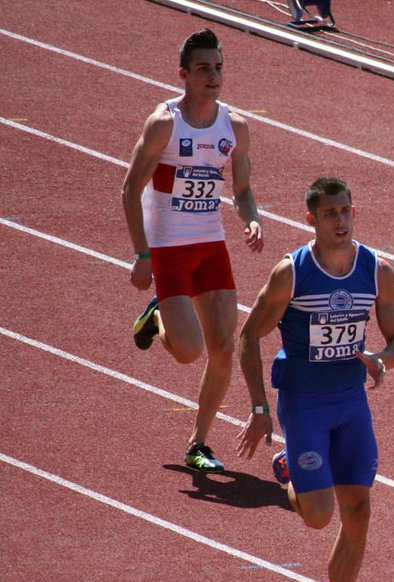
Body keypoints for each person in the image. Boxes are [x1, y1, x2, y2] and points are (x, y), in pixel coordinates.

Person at [236, 177, 394, 582]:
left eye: (345, 211)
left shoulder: (377, 271)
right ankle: (289, 466)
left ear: (355, 212)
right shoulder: (292, 273)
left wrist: (380, 359)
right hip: (304, 402)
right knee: (317, 515)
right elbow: (249, 337)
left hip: (351, 403)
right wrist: (258, 409)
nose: (339, 220)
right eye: (329, 213)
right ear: (311, 218)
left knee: (358, 511)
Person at [122, 28, 264, 474]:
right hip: (168, 247)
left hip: (210, 245)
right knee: (188, 351)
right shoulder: (165, 123)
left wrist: (252, 218)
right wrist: (142, 254)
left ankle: (198, 443)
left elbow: (242, 191)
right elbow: (130, 189)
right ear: (184, 75)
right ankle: (158, 314)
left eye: (219, 68)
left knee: (224, 346)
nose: (213, 76)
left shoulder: (234, 126)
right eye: (203, 68)